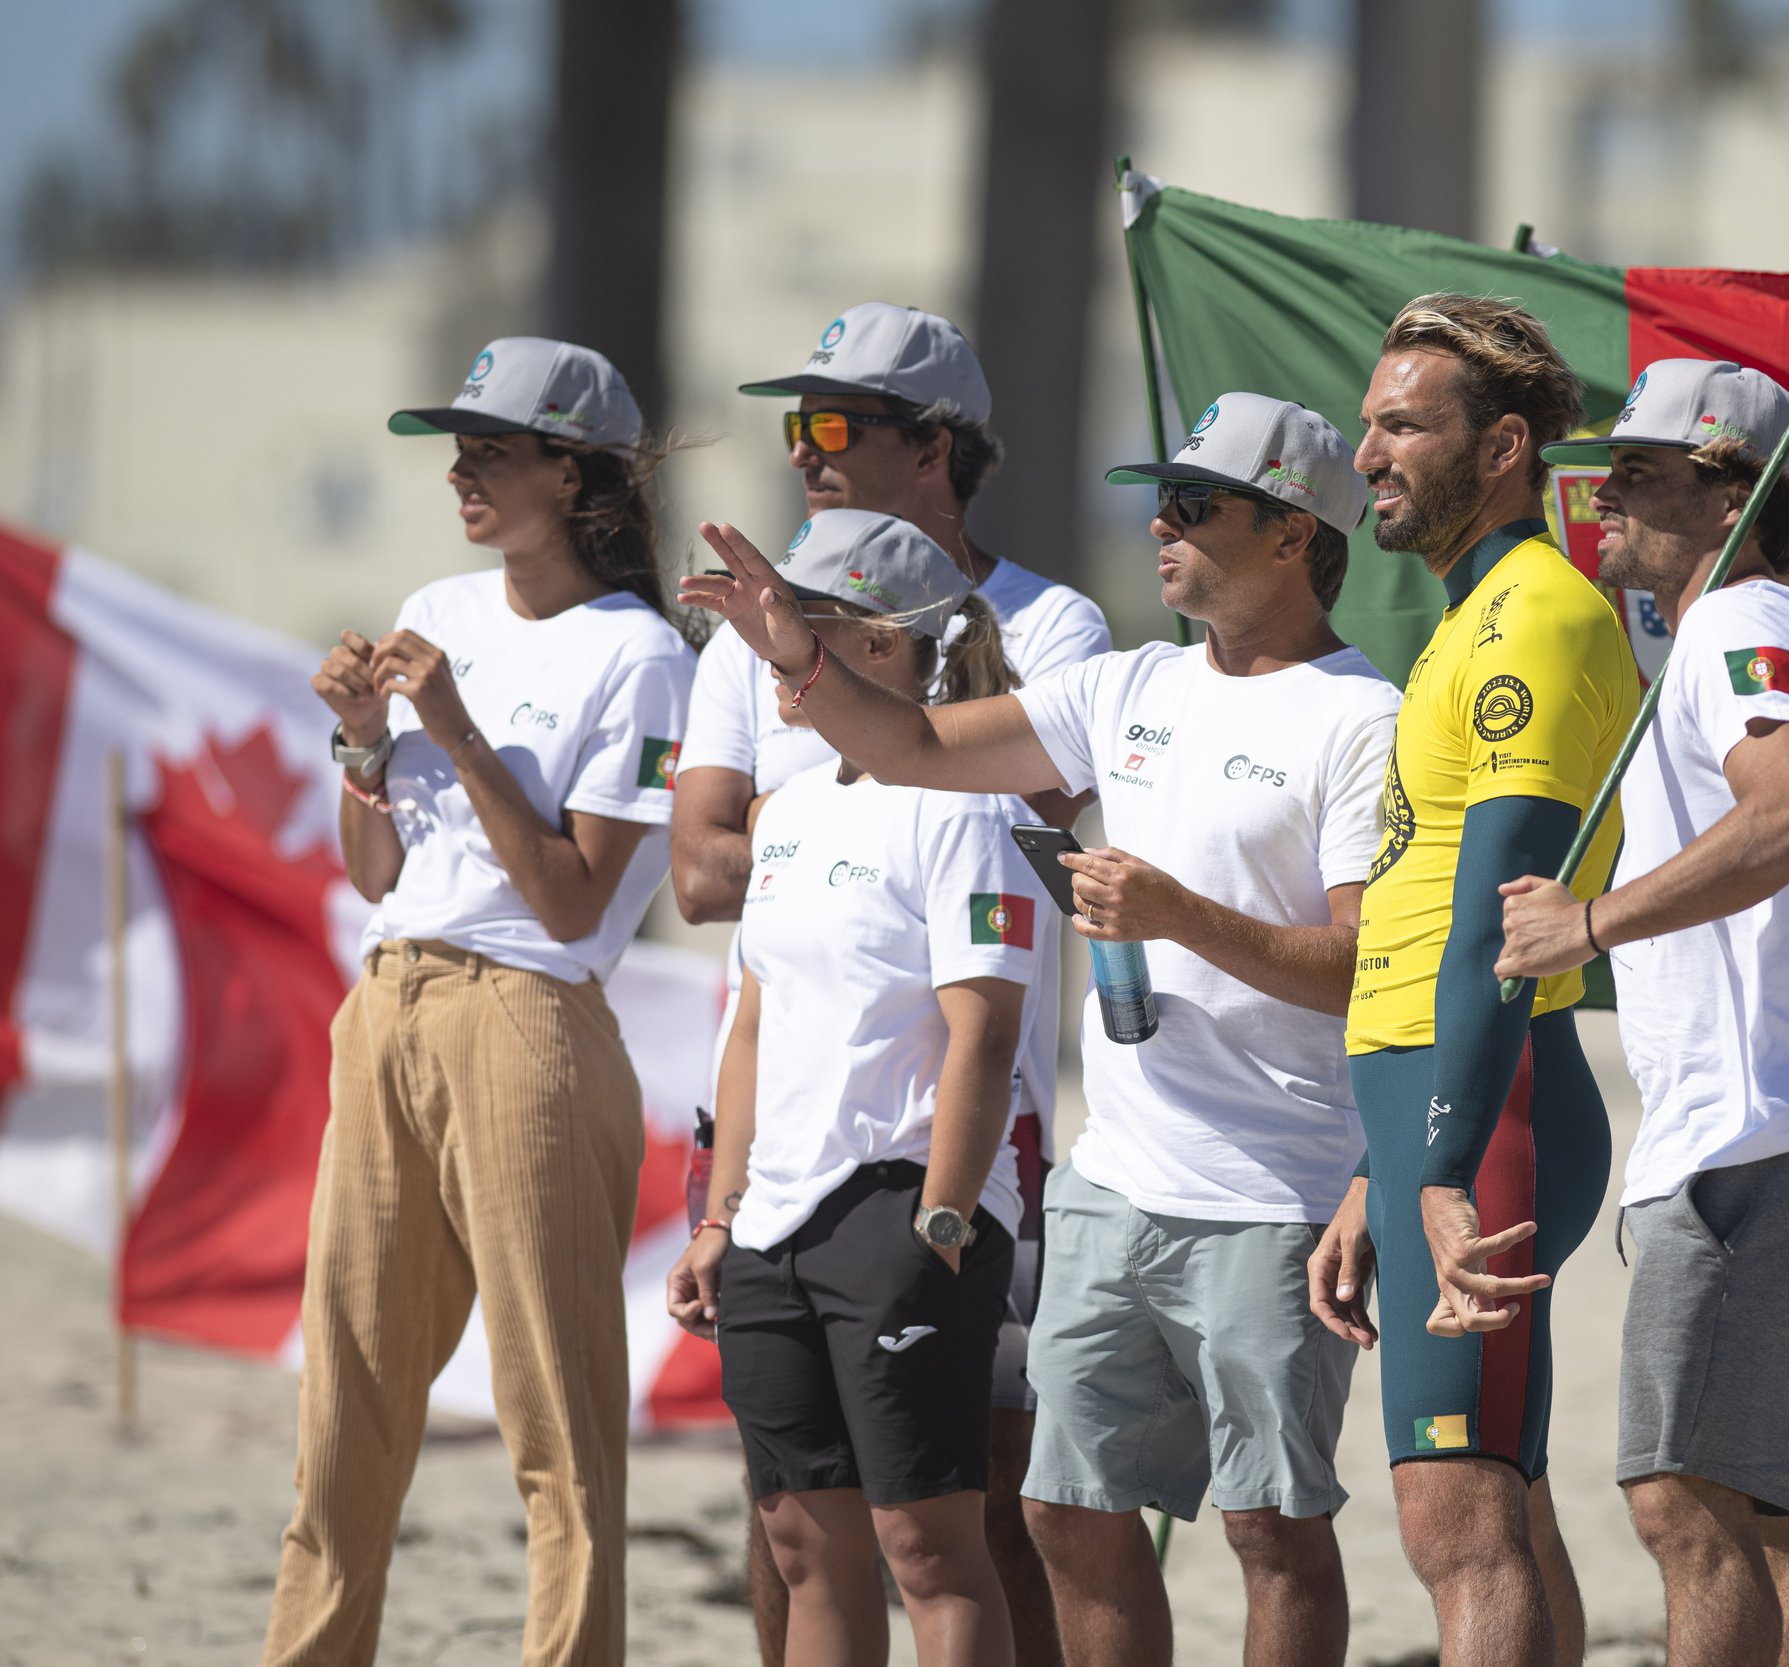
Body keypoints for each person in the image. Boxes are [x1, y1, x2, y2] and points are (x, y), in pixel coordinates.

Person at [680, 391, 1398, 1667]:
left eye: (1195, 504)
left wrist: (1178, 911)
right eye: (1158, 497)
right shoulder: (1125, 681)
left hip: (1275, 1185)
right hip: (1115, 1177)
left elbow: (1364, 971)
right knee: (1066, 1513)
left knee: (1271, 1526)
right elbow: (903, 742)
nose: (1160, 523)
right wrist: (794, 655)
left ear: (1294, 535)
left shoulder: (1361, 717)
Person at [1496, 357, 1789, 1667]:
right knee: (1782, 1515)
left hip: (1752, 1138)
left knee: (1682, 1499)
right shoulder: (1787, 646)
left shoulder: (1740, 625)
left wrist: (1587, 923)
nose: (1603, 493)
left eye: (1640, 472)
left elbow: (1788, 812)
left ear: (1731, 500)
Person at [671, 302, 1109, 1667]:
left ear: (937, 444)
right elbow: (703, 873)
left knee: (975, 1494)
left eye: (833, 421)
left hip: (953, 1133)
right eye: (793, 423)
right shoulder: (772, 637)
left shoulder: (1058, 621)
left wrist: (942, 1199)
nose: (801, 448)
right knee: (799, 1515)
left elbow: (1044, 831)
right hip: (786, 1119)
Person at [269, 337, 696, 1667]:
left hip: (529, 1014)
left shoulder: (642, 656)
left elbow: (573, 902)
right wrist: (358, 746)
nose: (460, 469)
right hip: (387, 996)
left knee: (552, 1412)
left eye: (492, 448)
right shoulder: (436, 606)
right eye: (459, 446)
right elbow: (380, 869)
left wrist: (448, 727)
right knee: (346, 1399)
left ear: (569, 473)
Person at [1310, 293, 1636, 1667]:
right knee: (1502, 1496)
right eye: (1367, 424)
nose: (1369, 453)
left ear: (1503, 446)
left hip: (1486, 1108)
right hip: (1438, 1111)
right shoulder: (1465, 619)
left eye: (1402, 424)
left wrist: (1438, 1159)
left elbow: (1500, 922)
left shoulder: (1533, 620)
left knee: (1459, 1517)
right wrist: (1384, 1169)